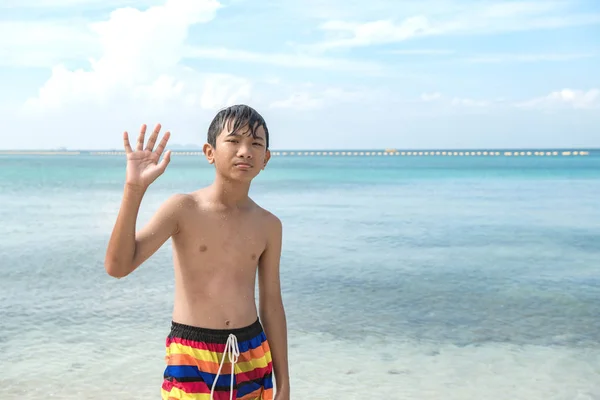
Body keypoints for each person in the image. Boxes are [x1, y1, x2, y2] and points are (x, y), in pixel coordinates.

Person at [104, 104, 290, 400]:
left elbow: (272, 306)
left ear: (265, 158)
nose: (245, 150)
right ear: (209, 152)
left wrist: (284, 385)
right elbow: (118, 266)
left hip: (252, 352)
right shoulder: (183, 209)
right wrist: (134, 189)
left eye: (256, 143)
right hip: (192, 355)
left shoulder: (269, 225)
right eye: (233, 141)